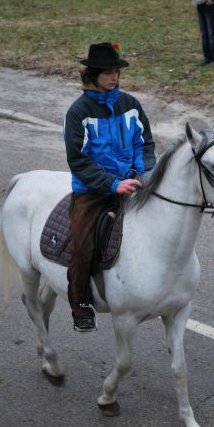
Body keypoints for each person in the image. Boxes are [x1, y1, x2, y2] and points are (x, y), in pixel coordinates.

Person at [64, 42, 156, 332]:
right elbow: (78, 160)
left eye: (116, 71)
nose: (113, 77)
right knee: (82, 245)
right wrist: (113, 184)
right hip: (93, 191)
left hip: (134, 182)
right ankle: (80, 304)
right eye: (107, 72)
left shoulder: (130, 104)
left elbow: (146, 143)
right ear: (93, 75)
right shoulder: (78, 112)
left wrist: (144, 173)